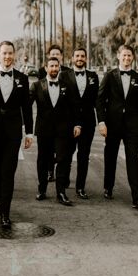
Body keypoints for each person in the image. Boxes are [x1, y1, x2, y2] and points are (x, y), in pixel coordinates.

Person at [0, 41, 34, 228]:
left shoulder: (22, 78)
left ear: (14, 55)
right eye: (4, 53)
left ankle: (5, 212)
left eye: (10, 53)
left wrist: (29, 133)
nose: (8, 57)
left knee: (8, 171)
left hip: (13, 132)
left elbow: (27, 108)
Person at [96, 45, 138, 210]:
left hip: (132, 125)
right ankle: (108, 187)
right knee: (110, 157)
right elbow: (100, 100)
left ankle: (136, 197)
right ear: (118, 56)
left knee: (133, 159)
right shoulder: (110, 76)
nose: (127, 58)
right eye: (124, 55)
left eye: (129, 55)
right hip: (112, 124)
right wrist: (102, 122)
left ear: (133, 57)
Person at [31, 57, 81, 206]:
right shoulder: (36, 86)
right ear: (46, 68)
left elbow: (75, 106)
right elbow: (27, 105)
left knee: (62, 160)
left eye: (56, 66)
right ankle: (42, 189)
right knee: (42, 160)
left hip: (63, 129)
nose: (54, 69)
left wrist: (77, 124)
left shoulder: (68, 85)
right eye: (51, 66)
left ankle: (61, 192)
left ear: (59, 68)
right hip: (44, 129)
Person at [59, 47, 99, 199]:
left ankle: (80, 187)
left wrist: (101, 120)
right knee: (66, 155)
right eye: (77, 56)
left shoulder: (93, 76)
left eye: (83, 56)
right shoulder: (64, 75)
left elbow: (96, 99)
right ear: (72, 58)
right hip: (69, 122)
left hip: (88, 122)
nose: (80, 58)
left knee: (84, 155)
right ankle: (63, 184)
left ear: (86, 58)